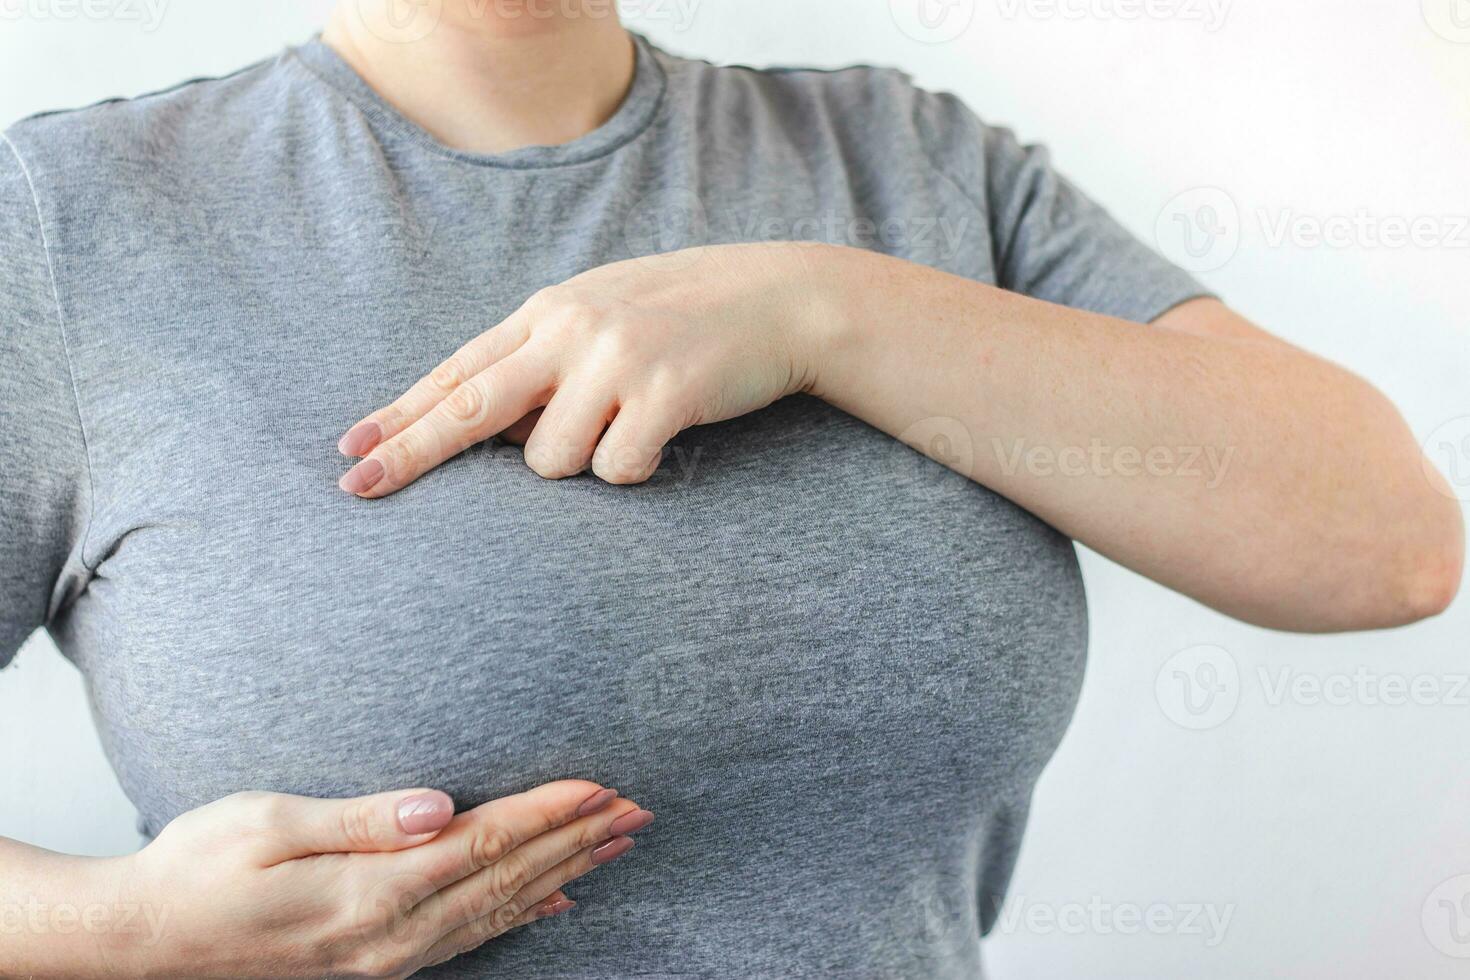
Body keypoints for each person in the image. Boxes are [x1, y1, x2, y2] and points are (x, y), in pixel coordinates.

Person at [0, 2, 1461, 977]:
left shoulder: (913, 171)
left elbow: (1380, 548)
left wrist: (829, 312)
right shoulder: (67, 226)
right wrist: (117, 929)